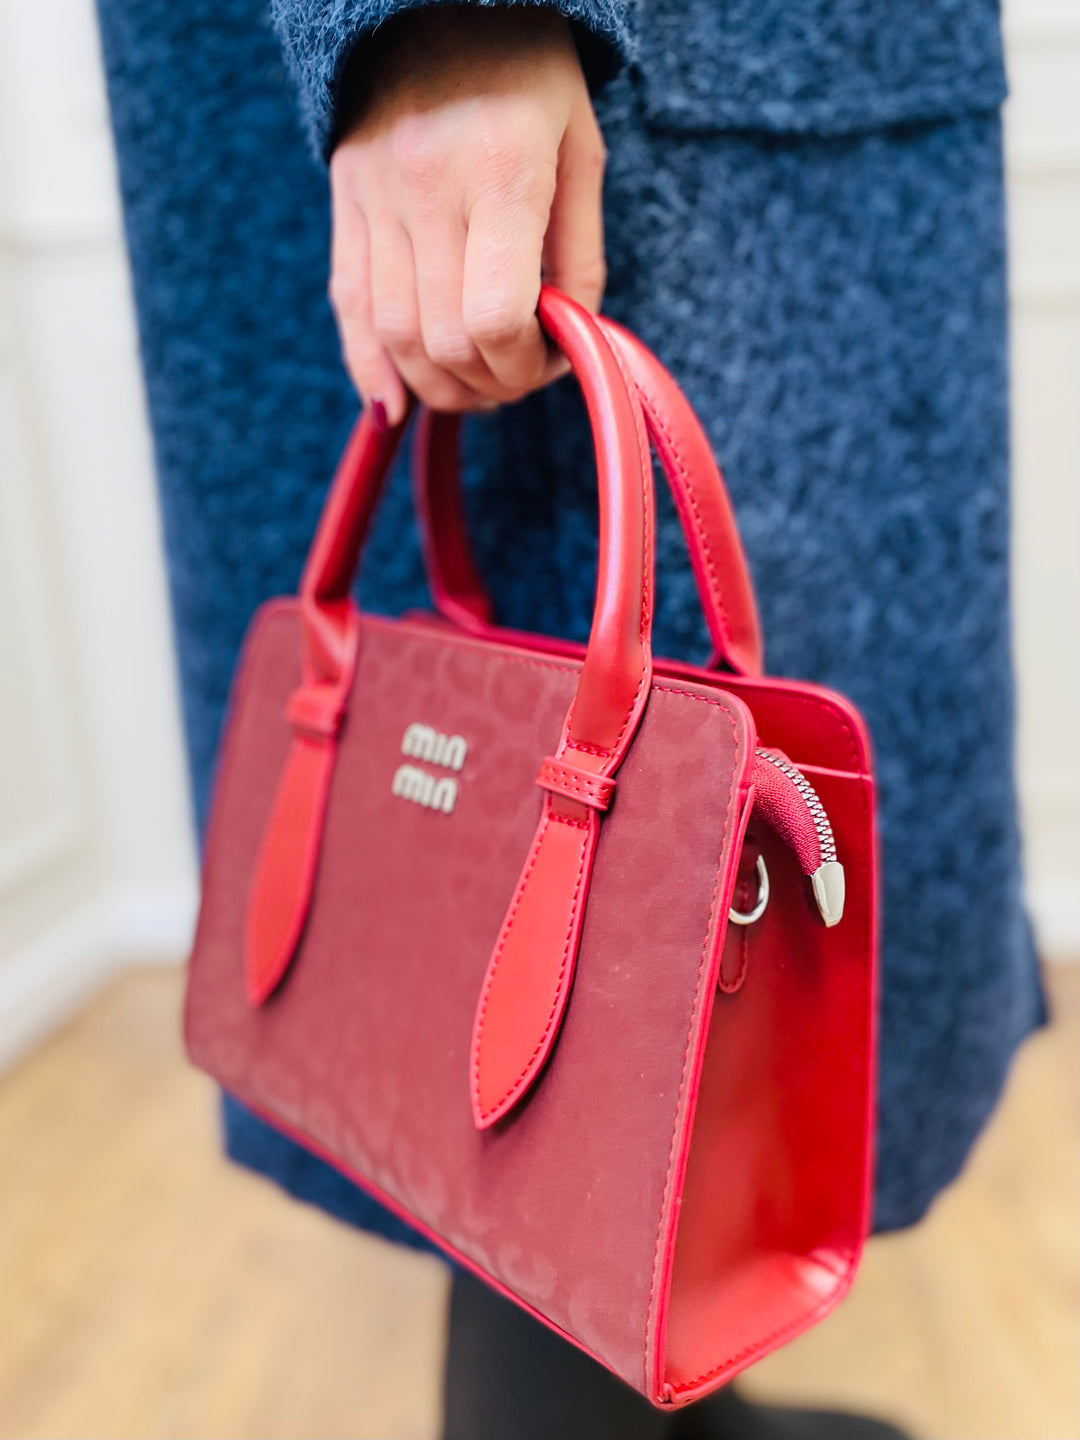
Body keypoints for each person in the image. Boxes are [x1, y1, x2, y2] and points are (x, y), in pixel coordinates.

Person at [94, 0, 1042, 1434]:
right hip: (610, 97)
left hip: (730, 97)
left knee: (623, 963)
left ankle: (677, 1399)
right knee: (588, 943)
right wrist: (430, 34)